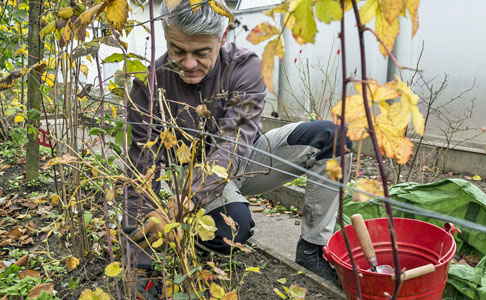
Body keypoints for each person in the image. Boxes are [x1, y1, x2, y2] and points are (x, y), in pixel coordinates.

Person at [123, 0, 352, 298]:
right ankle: (188, 239)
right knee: (232, 229)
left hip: (246, 155)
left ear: (223, 35)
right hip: (191, 172)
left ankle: (312, 250)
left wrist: (182, 206)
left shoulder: (244, 67)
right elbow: (140, 168)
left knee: (332, 139)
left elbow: (233, 145)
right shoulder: (148, 85)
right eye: (178, 50)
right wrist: (138, 258)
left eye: (201, 52)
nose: (189, 64)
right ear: (167, 36)